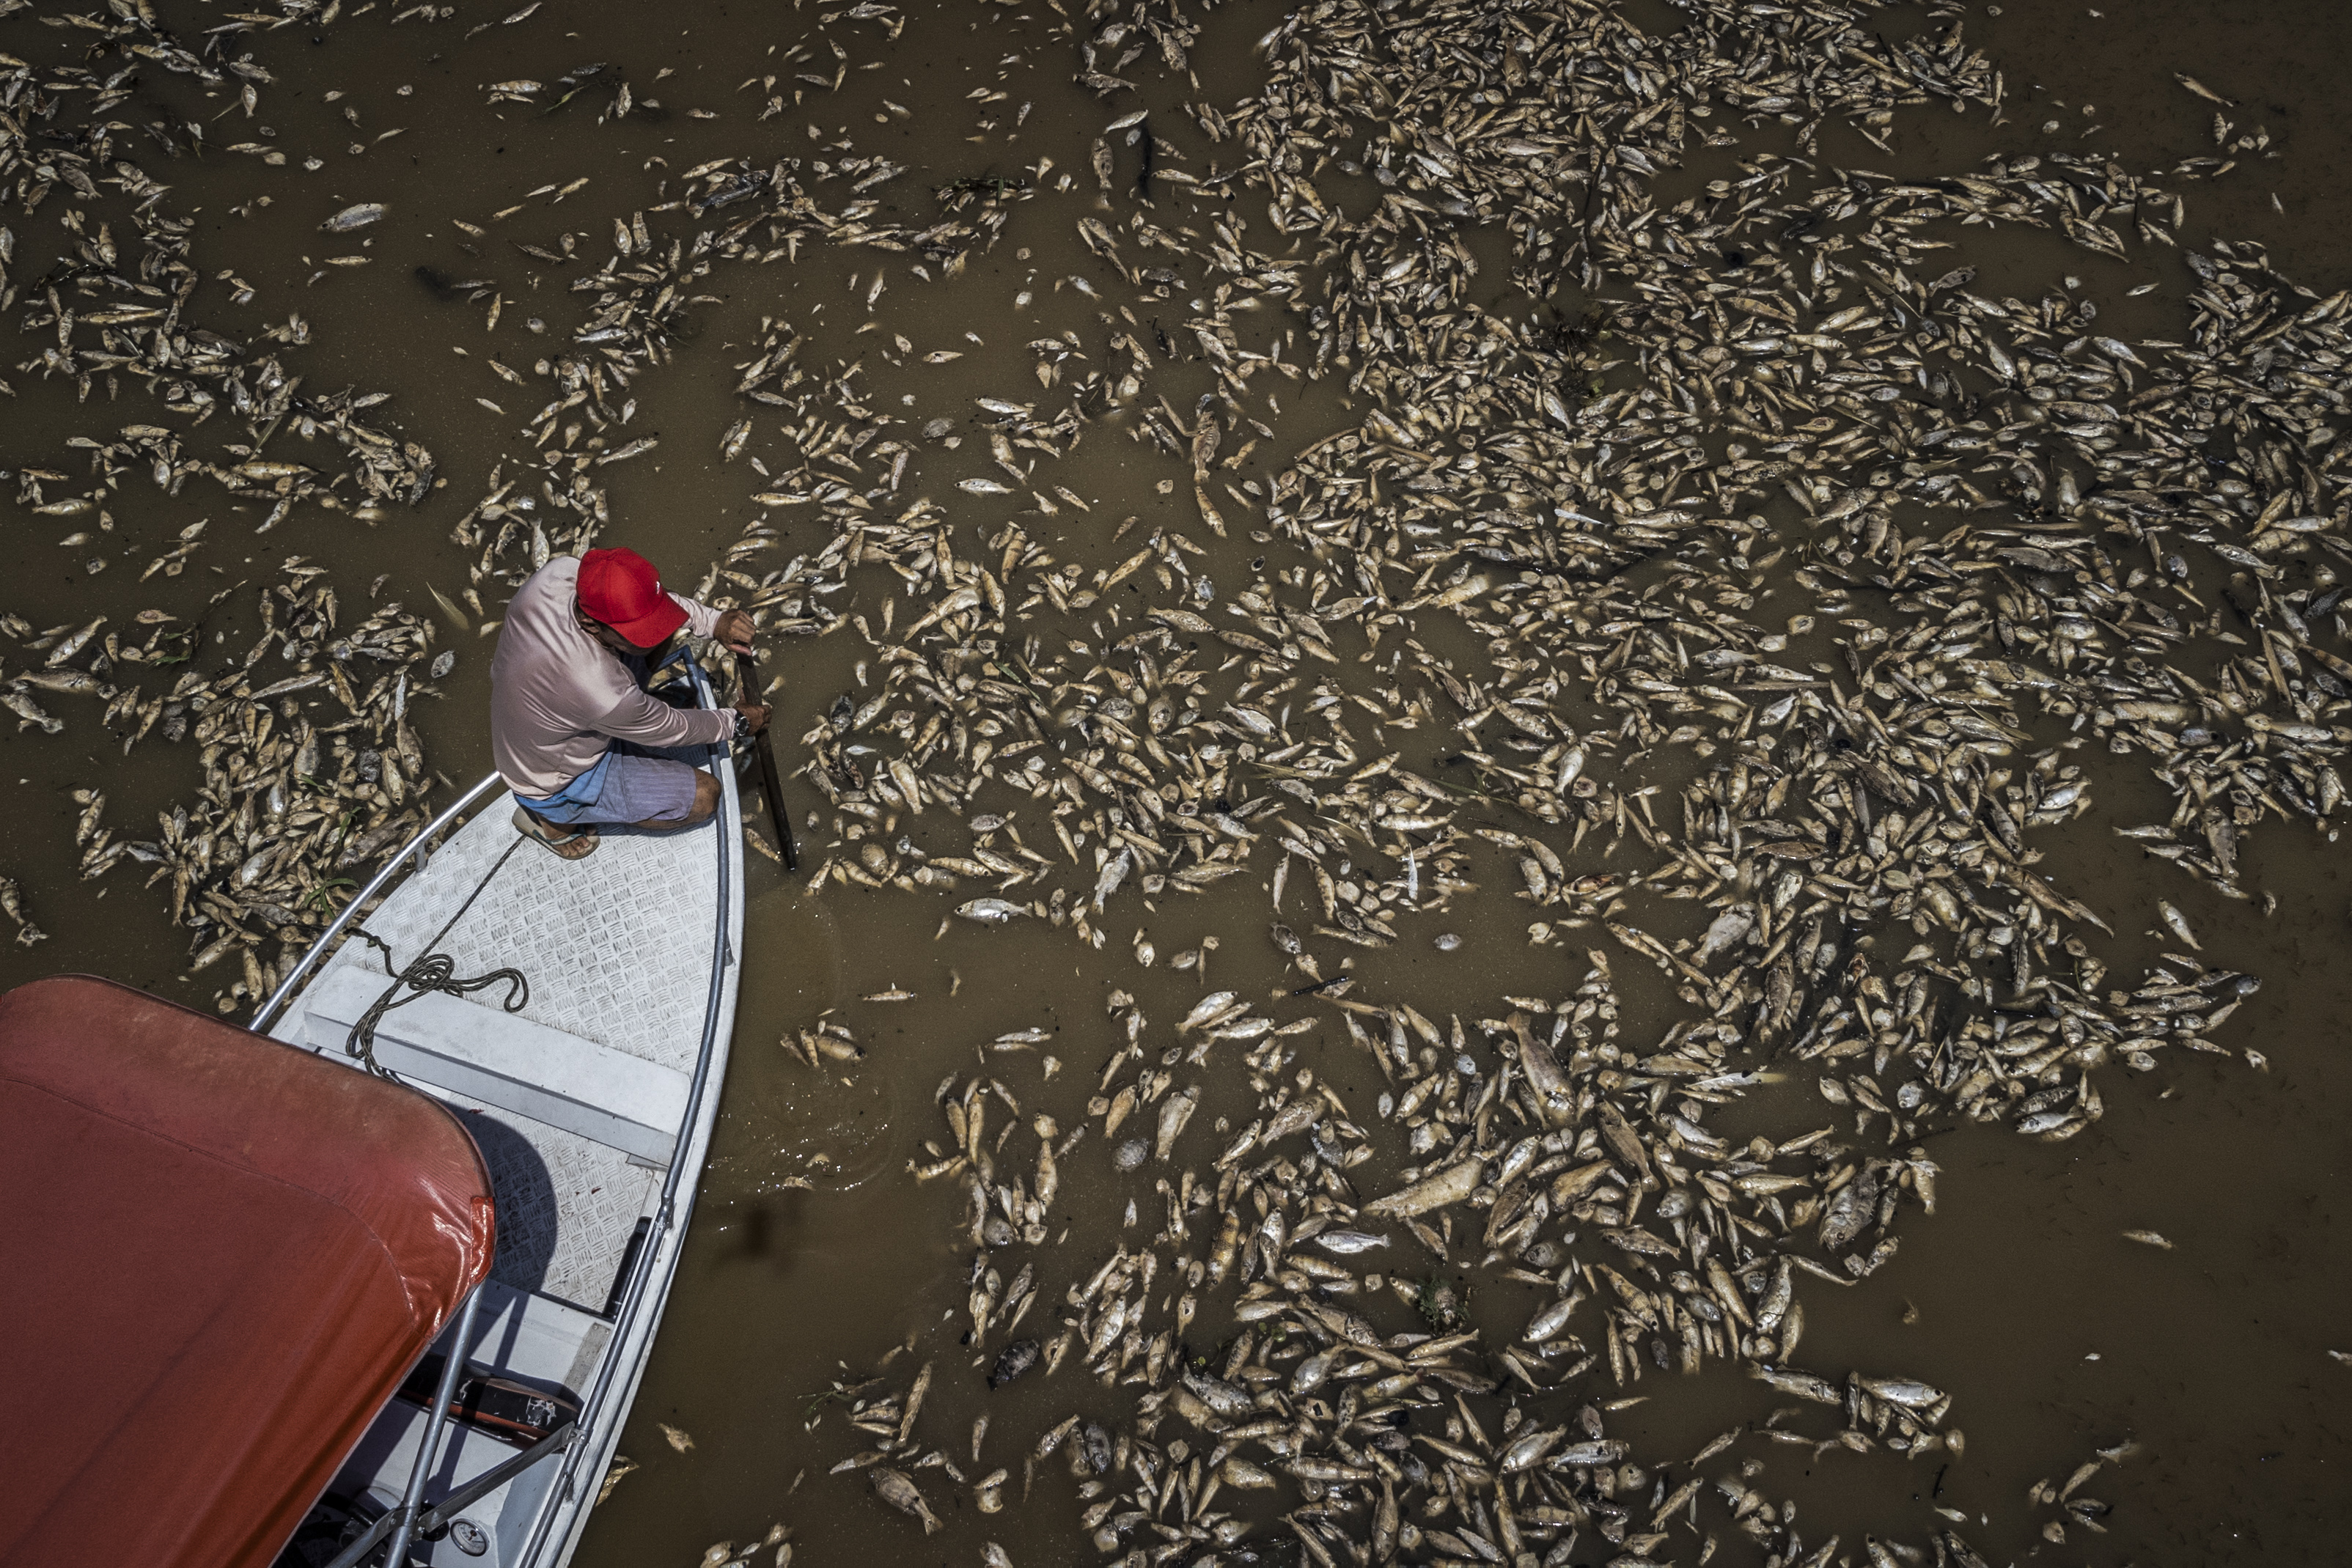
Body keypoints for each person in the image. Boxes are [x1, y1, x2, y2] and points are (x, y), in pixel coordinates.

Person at [489, 547, 769, 861]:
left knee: (662, 629)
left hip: (542, 714)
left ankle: (629, 722)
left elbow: (654, 604)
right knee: (704, 798)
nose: (651, 636)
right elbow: (672, 729)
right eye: (637, 632)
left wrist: (713, 621)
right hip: (556, 777)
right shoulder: (599, 689)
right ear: (591, 623)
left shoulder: (558, 575)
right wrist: (738, 722)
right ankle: (554, 820)